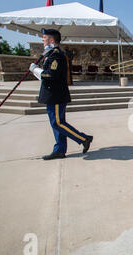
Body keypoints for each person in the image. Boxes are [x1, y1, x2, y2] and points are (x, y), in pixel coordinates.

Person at [29, 28, 93, 160]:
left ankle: (83, 138)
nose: (42, 40)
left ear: (51, 39)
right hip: (52, 94)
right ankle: (59, 149)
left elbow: (50, 75)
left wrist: (36, 70)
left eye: (44, 38)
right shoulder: (51, 53)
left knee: (58, 123)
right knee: (57, 122)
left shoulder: (56, 55)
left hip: (56, 95)